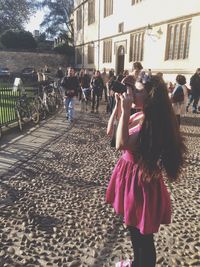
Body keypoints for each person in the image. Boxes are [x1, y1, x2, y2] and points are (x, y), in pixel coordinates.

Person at [106, 76, 186, 267]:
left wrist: (125, 111)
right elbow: (112, 134)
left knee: (143, 236)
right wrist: (119, 107)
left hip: (140, 184)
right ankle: (137, 263)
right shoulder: (140, 114)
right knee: (135, 232)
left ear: (151, 97)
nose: (133, 93)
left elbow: (121, 144)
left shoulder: (149, 123)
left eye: (138, 90)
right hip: (131, 180)